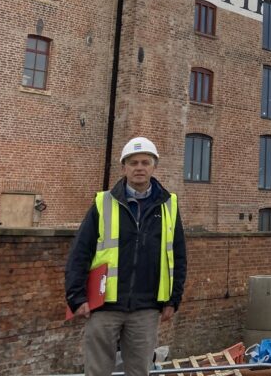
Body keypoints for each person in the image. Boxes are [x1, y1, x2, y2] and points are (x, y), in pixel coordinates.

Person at [65, 136, 187, 376]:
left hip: (146, 307)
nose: (139, 168)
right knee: (97, 371)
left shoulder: (169, 205)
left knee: (139, 371)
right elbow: (80, 252)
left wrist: (173, 299)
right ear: (124, 167)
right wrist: (76, 297)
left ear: (154, 166)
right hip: (104, 306)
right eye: (133, 163)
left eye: (145, 162)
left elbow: (179, 256)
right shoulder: (104, 203)